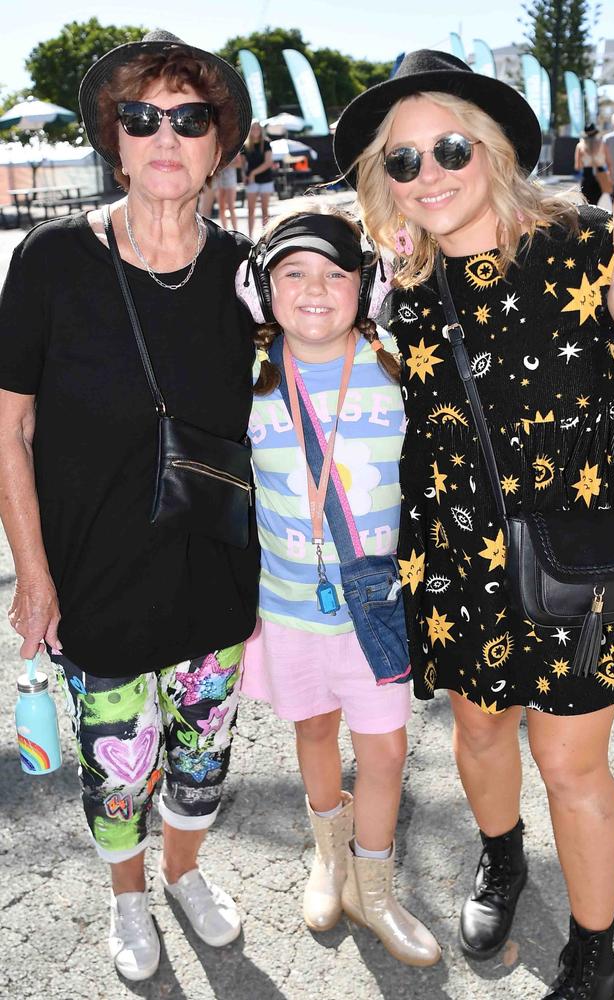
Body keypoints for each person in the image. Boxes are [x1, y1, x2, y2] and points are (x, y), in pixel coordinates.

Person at [334, 49, 614, 999]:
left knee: (568, 760)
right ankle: (502, 856)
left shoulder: (588, 245)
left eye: (450, 148)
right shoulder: (399, 282)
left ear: (499, 151)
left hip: (580, 552)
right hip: (457, 555)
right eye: (402, 160)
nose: (427, 172)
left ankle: (593, 956)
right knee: (479, 732)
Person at [0, 30, 260, 982]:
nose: (164, 135)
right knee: (118, 765)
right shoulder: (51, 260)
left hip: (213, 570)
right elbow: (8, 429)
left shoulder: (245, 275)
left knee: (202, 757)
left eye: (188, 119)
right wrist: (32, 574)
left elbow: (324, 359)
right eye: (140, 117)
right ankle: (127, 898)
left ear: (217, 143)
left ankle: (186, 874)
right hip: (94, 574)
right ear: (113, 137)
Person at [237, 203, 442, 967]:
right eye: (293, 273)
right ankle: (329, 855)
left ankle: (375, 886)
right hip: (287, 609)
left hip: (377, 609)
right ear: (263, 293)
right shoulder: (248, 379)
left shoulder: (395, 367)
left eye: (335, 273)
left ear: (365, 287)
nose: (314, 289)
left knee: (385, 752)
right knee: (313, 730)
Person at [243, 119, 274, 236]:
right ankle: (249, 236)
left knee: (264, 210)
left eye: (257, 128)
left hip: (265, 179)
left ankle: (265, 236)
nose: (255, 130)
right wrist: (245, 176)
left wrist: (253, 173)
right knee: (250, 210)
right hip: (251, 181)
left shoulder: (266, 144)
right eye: (253, 128)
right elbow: (243, 165)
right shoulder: (246, 146)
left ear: (261, 130)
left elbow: (268, 163)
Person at [199, 153, 242, 229]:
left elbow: (239, 163)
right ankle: (225, 229)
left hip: (230, 180)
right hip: (219, 180)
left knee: (231, 207)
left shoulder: (233, 148)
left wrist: (226, 165)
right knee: (221, 208)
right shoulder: (219, 149)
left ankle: (235, 230)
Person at [575, 123, 610, 205]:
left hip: (587, 174)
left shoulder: (580, 145)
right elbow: (609, 161)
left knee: (586, 203)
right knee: (595, 203)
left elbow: (577, 166)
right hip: (600, 172)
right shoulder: (602, 143)